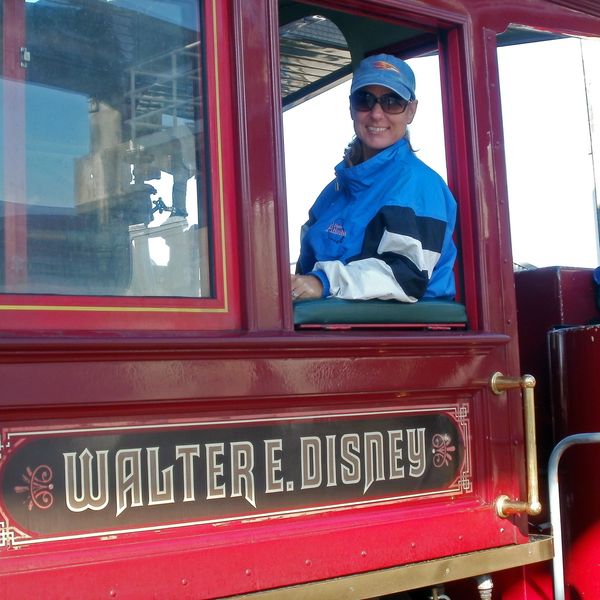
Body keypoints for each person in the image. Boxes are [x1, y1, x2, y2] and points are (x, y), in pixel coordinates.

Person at [291, 54, 457, 303]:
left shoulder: (420, 184)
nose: (377, 114)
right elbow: (303, 273)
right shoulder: (331, 194)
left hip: (406, 336)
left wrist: (322, 282)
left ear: (410, 111)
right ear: (351, 108)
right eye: (364, 100)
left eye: (392, 102)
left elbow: (405, 278)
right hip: (330, 332)